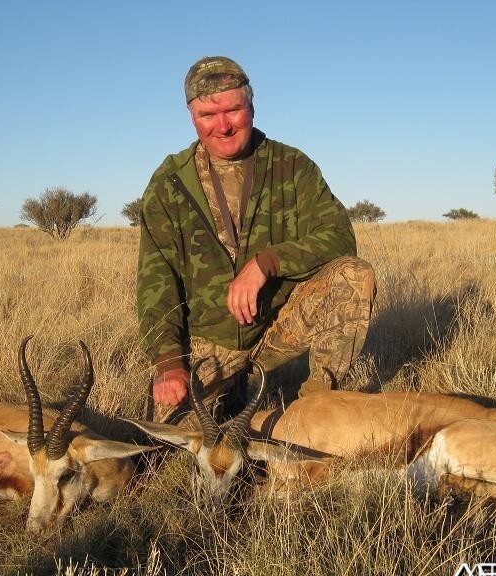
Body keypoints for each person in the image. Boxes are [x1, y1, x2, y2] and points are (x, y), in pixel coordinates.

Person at [137, 56, 376, 422]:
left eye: (234, 110)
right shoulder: (169, 182)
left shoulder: (291, 165)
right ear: (191, 116)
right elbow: (156, 282)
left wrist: (266, 264)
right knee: (172, 438)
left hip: (277, 326)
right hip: (210, 341)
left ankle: (313, 413)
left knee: (354, 275)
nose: (223, 126)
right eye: (207, 115)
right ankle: (230, 391)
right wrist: (169, 363)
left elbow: (339, 235)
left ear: (251, 106)